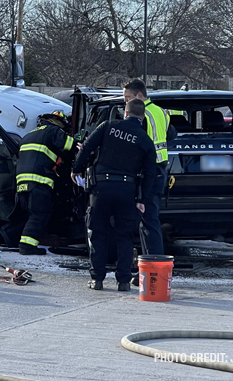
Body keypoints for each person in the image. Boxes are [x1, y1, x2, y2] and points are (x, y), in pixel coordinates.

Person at [71, 99, 156, 291]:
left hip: (101, 188)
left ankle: (97, 279)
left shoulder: (108, 126)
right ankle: (123, 281)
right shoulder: (145, 140)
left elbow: (86, 147)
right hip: (127, 191)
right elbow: (150, 173)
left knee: (98, 233)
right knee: (125, 236)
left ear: (125, 113)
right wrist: (142, 199)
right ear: (142, 117)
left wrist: (76, 169)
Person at [14, 111, 76, 255]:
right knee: (39, 214)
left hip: (22, 183)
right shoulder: (53, 131)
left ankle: (26, 241)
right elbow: (70, 145)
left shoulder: (28, 135)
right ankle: (27, 246)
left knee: (32, 215)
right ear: (56, 121)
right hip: (39, 181)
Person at [123, 79, 172, 256]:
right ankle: (150, 264)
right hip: (160, 169)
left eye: (127, 98)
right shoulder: (161, 112)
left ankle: (153, 265)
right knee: (149, 220)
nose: (125, 102)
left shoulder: (142, 115)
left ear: (140, 96)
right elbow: (170, 134)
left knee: (149, 221)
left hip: (148, 171)